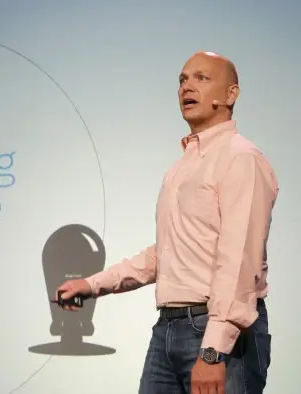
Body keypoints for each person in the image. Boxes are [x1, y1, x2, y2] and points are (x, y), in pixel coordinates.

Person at [56, 51, 278, 394]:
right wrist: (93, 284)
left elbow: (239, 263)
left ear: (231, 95)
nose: (187, 86)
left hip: (215, 332)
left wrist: (213, 350)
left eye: (202, 78)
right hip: (168, 331)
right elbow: (167, 253)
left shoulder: (241, 158)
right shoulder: (180, 169)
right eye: (182, 80)